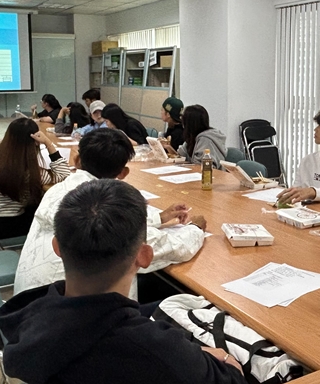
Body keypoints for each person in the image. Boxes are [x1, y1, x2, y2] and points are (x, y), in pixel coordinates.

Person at [0, 179, 249, 384]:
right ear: (144, 256)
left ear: (57, 247)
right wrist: (225, 359)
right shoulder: (154, 354)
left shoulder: (34, 319)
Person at [14, 128, 206, 298]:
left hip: (29, 307)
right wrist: (196, 228)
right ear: (123, 173)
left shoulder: (59, 191)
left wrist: (159, 218)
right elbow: (173, 247)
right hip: (82, 320)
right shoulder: (112, 209)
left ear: (77, 160)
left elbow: (101, 218)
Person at [0, 117, 71, 239]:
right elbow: (64, 174)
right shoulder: (29, 171)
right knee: (47, 212)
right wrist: (48, 143)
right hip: (0, 226)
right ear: (35, 141)